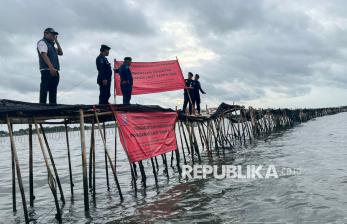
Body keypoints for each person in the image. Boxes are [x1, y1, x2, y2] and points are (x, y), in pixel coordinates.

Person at [37, 28, 63, 104]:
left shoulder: (51, 45)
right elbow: (43, 54)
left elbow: (61, 53)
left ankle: (52, 108)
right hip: (47, 70)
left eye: (54, 35)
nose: (53, 36)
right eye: (52, 34)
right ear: (45, 33)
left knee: (53, 91)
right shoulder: (42, 42)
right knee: (44, 90)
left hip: (54, 70)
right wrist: (51, 67)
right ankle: (41, 108)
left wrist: (57, 42)